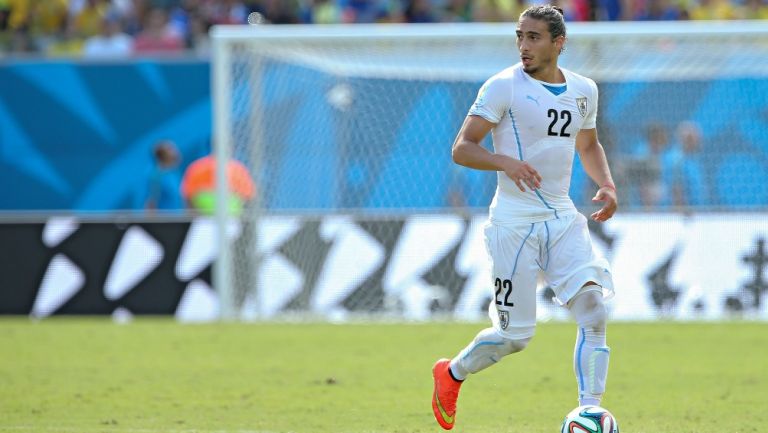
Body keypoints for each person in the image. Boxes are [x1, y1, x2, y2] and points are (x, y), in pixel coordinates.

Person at [431, 5, 618, 430]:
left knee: (593, 309)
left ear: (559, 42)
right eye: (520, 36)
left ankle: (589, 409)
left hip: (562, 218)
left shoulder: (584, 89)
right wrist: (507, 164)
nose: (524, 46)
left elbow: (587, 144)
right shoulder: (502, 87)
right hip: (513, 224)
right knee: (516, 336)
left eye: (534, 37)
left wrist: (607, 185)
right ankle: (452, 372)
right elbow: (462, 147)